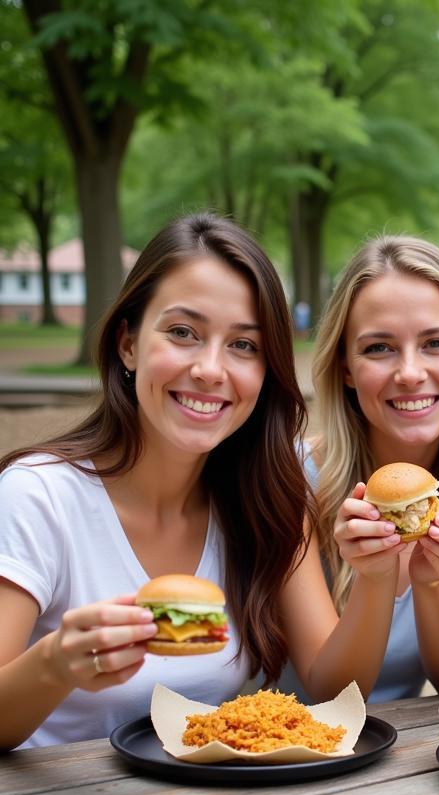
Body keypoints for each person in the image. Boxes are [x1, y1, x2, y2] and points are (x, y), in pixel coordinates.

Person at [0, 213, 350, 750]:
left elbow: (335, 687)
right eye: (183, 332)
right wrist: (54, 663)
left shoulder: (265, 502)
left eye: (243, 345)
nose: (211, 369)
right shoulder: (37, 496)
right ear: (129, 344)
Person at [306, 235, 439, 701]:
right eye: (379, 348)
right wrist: (374, 578)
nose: (411, 373)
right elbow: (328, 693)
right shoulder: (292, 479)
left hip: (406, 762)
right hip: (280, 755)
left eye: (436, 343)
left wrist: (434, 581)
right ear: (345, 368)